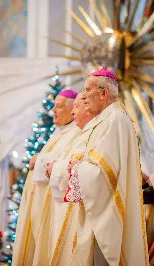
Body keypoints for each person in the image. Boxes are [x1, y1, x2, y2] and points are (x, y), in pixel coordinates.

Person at [55, 69, 149, 265]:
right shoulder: (106, 119)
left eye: (88, 89)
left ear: (104, 93)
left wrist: (77, 168)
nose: (85, 95)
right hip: (100, 207)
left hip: (108, 211)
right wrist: (79, 166)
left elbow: (105, 172)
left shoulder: (115, 119)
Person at [12, 90, 80, 265]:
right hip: (40, 199)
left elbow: (66, 162)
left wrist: (39, 159)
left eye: (58, 106)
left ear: (72, 108)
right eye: (54, 106)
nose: (53, 111)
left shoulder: (76, 132)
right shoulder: (59, 132)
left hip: (52, 203)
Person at [41, 92, 96, 265]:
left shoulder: (86, 132)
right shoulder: (78, 131)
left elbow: (90, 170)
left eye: (75, 107)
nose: (73, 113)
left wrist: (55, 167)